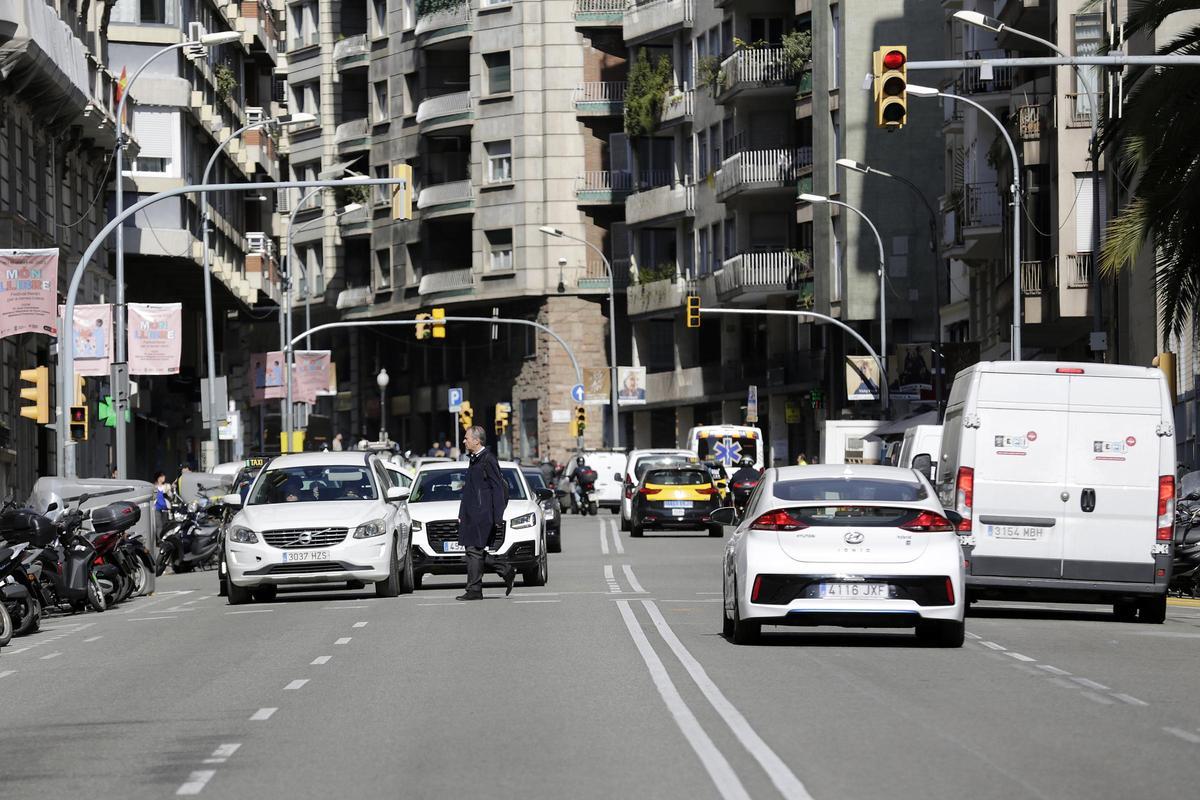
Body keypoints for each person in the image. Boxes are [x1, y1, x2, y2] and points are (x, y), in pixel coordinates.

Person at [456, 425, 515, 600]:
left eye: (467, 438)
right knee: (473, 550)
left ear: (477, 440)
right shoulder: (474, 459)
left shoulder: (488, 459)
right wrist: (462, 513)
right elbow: (470, 490)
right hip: (471, 513)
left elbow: (498, 489)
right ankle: (505, 569)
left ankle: (474, 590)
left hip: (483, 514)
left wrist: (498, 516)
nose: (464, 441)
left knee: (473, 550)